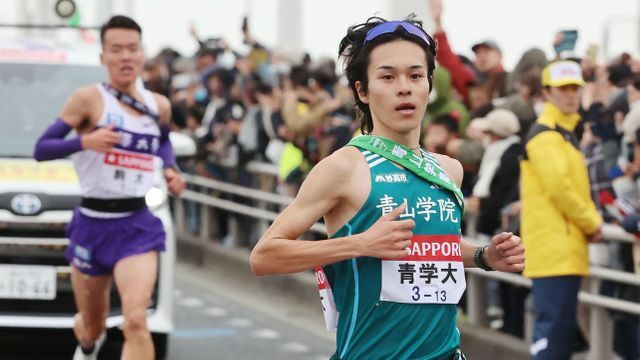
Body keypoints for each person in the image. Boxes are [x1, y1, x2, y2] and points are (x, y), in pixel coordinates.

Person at [250, 15, 525, 359]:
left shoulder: (448, 169)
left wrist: (485, 256)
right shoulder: (344, 167)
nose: (404, 87)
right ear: (361, 90)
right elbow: (264, 256)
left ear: (429, 84)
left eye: (415, 75)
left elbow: (431, 246)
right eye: (388, 77)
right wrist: (360, 244)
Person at [33, 15, 186, 360]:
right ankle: (87, 344)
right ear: (103, 57)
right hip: (91, 223)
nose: (125, 57)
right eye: (116, 50)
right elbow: (42, 149)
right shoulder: (88, 100)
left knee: (135, 321)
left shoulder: (157, 105)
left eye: (132, 48)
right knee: (93, 325)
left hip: (137, 224)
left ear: (142, 54)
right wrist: (85, 141)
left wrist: (172, 169)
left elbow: (162, 143)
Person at [520, 60, 603, 360]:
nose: (571, 95)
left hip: (563, 249)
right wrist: (592, 223)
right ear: (547, 93)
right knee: (553, 338)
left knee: (559, 337)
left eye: (575, 89)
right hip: (555, 251)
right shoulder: (546, 136)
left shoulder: (563, 135)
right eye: (563, 89)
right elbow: (561, 191)